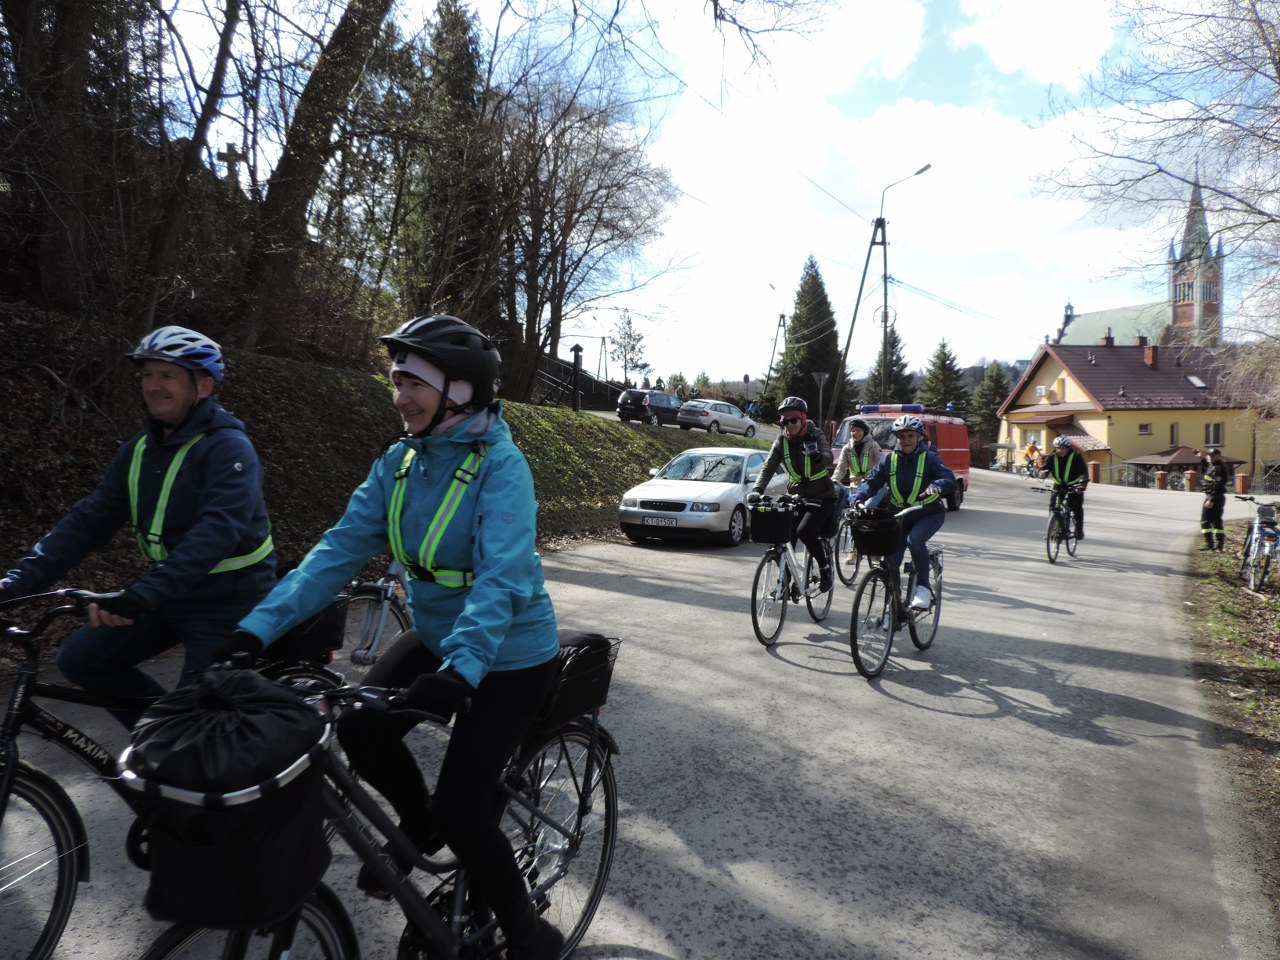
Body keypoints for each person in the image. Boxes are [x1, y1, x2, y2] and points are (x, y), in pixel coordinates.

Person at [219, 315, 564, 960]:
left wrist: (461, 668)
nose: (400, 396)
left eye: (414, 383)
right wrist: (255, 630)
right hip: (438, 639)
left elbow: (502, 579)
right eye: (397, 381)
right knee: (360, 729)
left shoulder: (503, 467)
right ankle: (418, 822)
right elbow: (336, 552)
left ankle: (528, 933)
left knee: (464, 808)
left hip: (510, 656)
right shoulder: (400, 462)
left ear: (462, 392)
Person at [0, 326, 276, 728]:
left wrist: (145, 593)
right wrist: (15, 587)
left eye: (167, 375)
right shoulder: (139, 451)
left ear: (202, 387)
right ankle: (159, 739)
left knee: (200, 721)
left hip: (229, 599)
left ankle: (180, 743)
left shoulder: (229, 449)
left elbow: (217, 532)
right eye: (147, 374)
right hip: (168, 591)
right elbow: (87, 522)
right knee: (81, 660)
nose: (153, 385)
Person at [850, 414, 956, 610]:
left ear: (919, 437)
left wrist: (937, 486)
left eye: (910, 436)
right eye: (901, 436)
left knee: (915, 540)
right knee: (891, 558)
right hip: (899, 515)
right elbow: (872, 482)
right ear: (896, 438)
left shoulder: (929, 458)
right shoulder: (889, 460)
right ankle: (895, 600)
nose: (906, 440)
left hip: (928, 512)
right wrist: (857, 497)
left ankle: (923, 589)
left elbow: (948, 478)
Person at [747, 396, 839, 591]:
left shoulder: (815, 434)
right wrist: (757, 490)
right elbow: (769, 466)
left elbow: (829, 457)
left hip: (823, 496)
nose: (789, 425)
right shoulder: (781, 441)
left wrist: (817, 456)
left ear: (802, 419)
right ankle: (786, 581)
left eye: (793, 420)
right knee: (783, 536)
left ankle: (825, 569)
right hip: (798, 496)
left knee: (804, 531)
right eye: (784, 421)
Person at [1043, 435, 1089, 539]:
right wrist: (1043, 473)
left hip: (1075, 485)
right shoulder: (1051, 457)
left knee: (1076, 507)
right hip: (1059, 484)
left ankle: (1079, 529)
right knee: (1053, 506)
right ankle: (1053, 529)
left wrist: (1082, 485)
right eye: (1058, 448)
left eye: (1062, 448)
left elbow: (1084, 472)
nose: (1060, 450)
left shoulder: (1077, 457)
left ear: (1068, 448)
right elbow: (1045, 468)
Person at [1200, 447, 1229, 551]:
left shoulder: (1217, 469)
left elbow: (1217, 485)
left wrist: (1211, 499)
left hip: (1214, 496)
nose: (1210, 457)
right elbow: (1208, 469)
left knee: (1205, 521)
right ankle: (1220, 544)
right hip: (1218, 497)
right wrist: (1202, 459)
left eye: (1212, 455)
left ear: (1218, 456)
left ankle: (1209, 544)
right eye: (1209, 455)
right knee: (1217, 520)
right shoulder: (1214, 466)